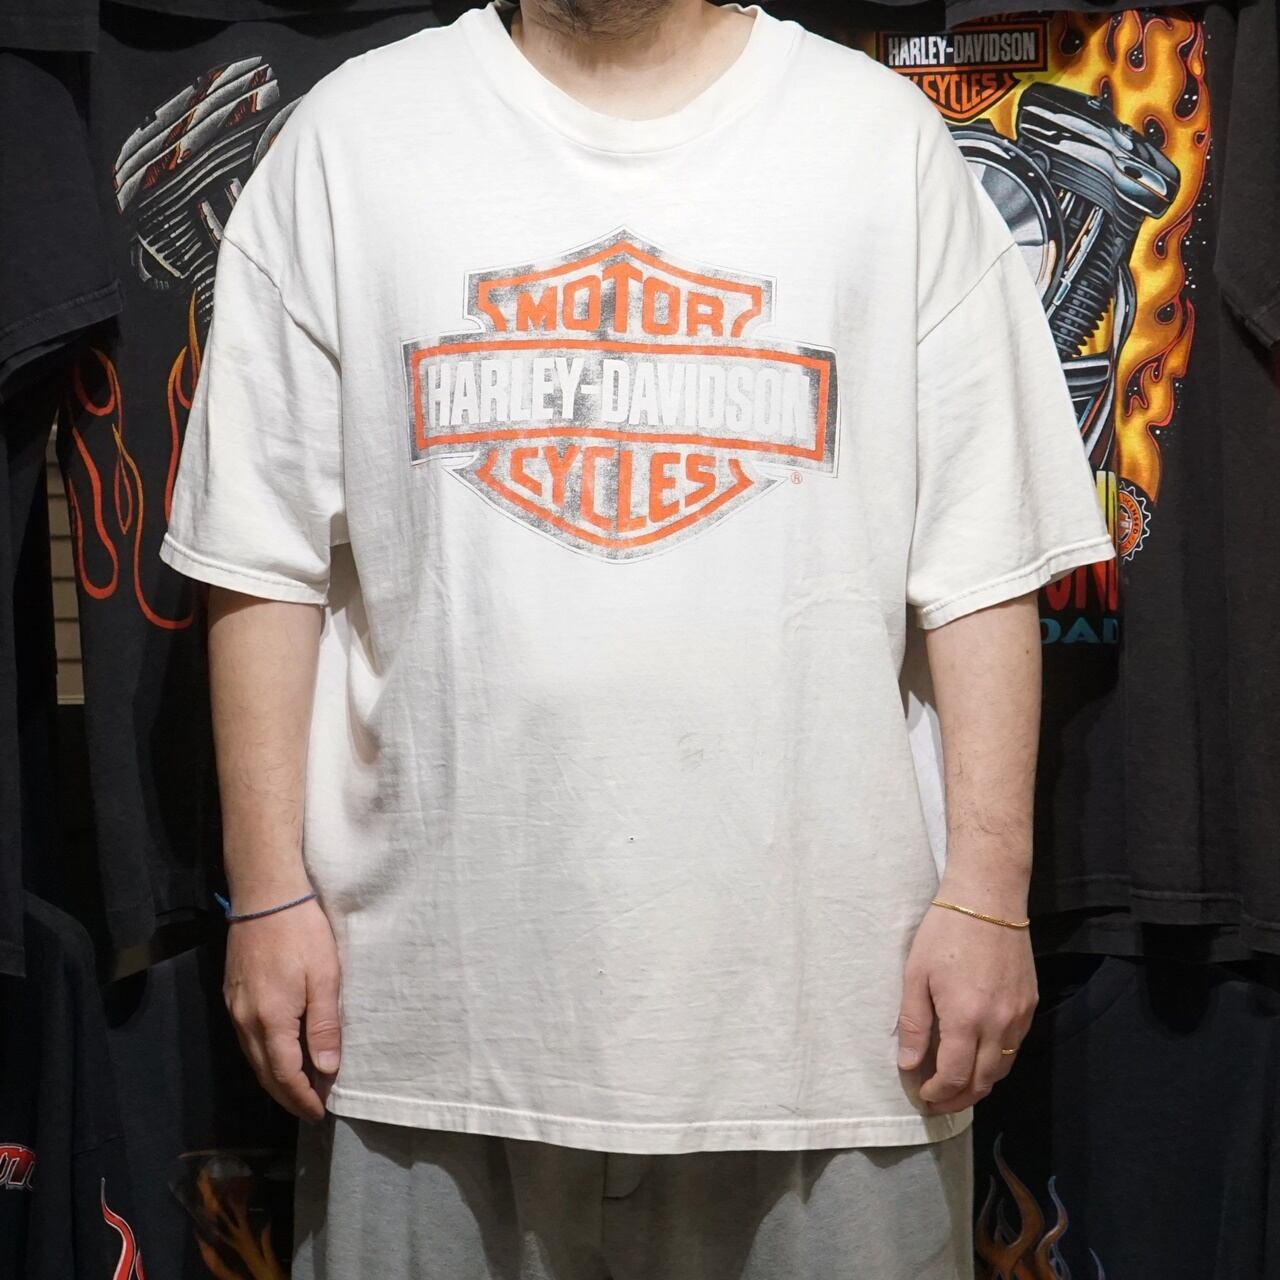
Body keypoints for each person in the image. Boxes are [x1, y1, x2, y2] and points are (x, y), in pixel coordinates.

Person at [158, 0, 1115, 1275]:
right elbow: (258, 554)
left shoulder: (877, 144)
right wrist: (267, 893)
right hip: (429, 1024)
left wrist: (989, 896)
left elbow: (981, 559)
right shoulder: (352, 141)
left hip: (835, 1033)